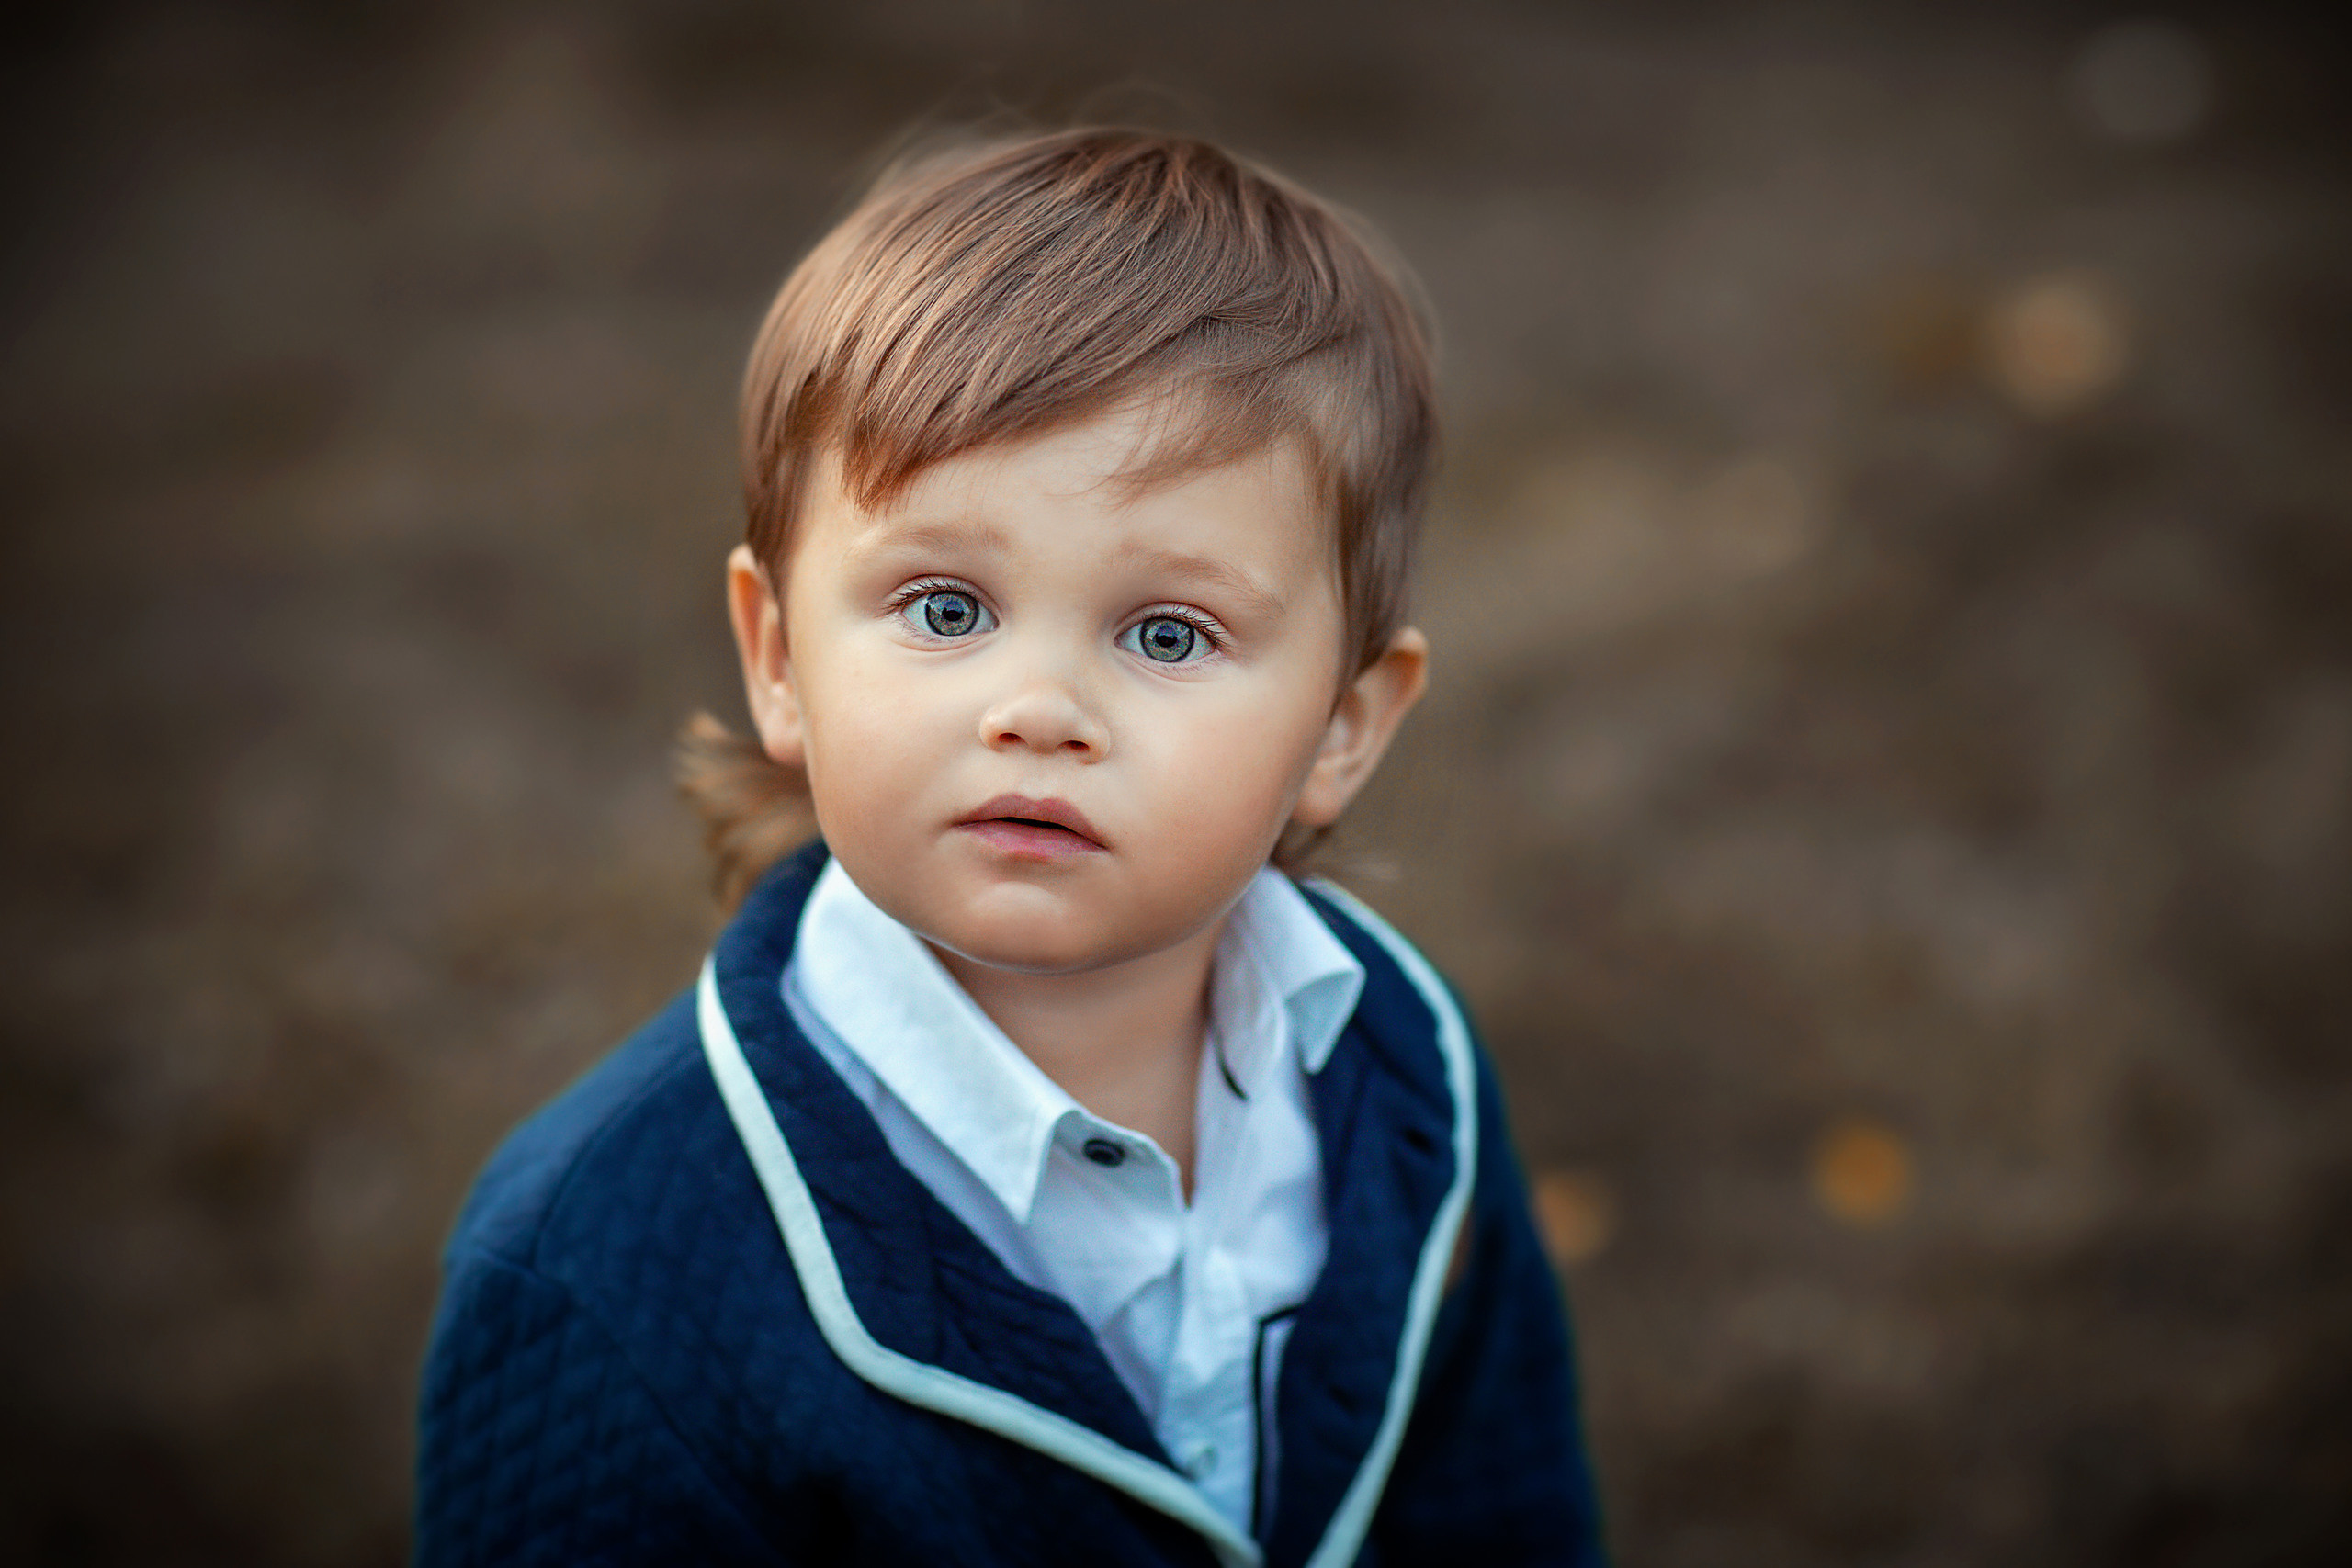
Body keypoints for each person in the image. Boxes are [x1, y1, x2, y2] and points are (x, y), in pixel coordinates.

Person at [415, 126, 1606, 1567]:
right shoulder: (599, 1261)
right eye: (947, 609)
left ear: (1344, 727)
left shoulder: (1406, 1070)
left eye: (1168, 634)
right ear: (778, 657)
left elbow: (1502, 1518)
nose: (1039, 710)